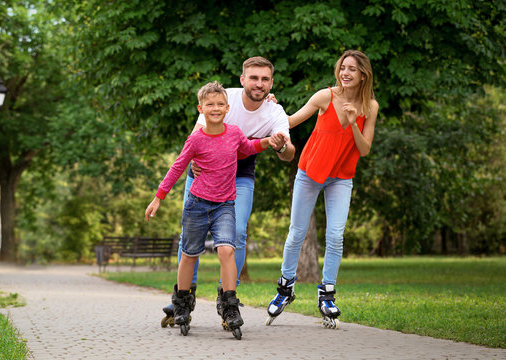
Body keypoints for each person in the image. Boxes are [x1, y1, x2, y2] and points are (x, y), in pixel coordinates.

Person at [145, 81, 286, 338]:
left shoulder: (234, 133)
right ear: (201, 108)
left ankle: (230, 305)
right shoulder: (195, 139)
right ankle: (182, 303)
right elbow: (178, 167)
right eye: (210, 104)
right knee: (189, 253)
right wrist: (158, 197)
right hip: (197, 204)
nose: (215, 108)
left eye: (220, 104)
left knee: (227, 249)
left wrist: (269, 141)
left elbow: (249, 148)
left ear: (227, 108)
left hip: (224, 205)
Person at [266, 50, 379, 329]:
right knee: (296, 233)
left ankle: (326, 294)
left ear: (363, 74)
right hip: (310, 172)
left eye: (352, 69)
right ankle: (285, 288)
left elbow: (364, 150)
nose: (345, 73)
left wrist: (354, 121)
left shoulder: (370, 106)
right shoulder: (325, 96)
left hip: (341, 176)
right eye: (343, 67)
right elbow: (290, 121)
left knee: (336, 236)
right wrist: (272, 107)